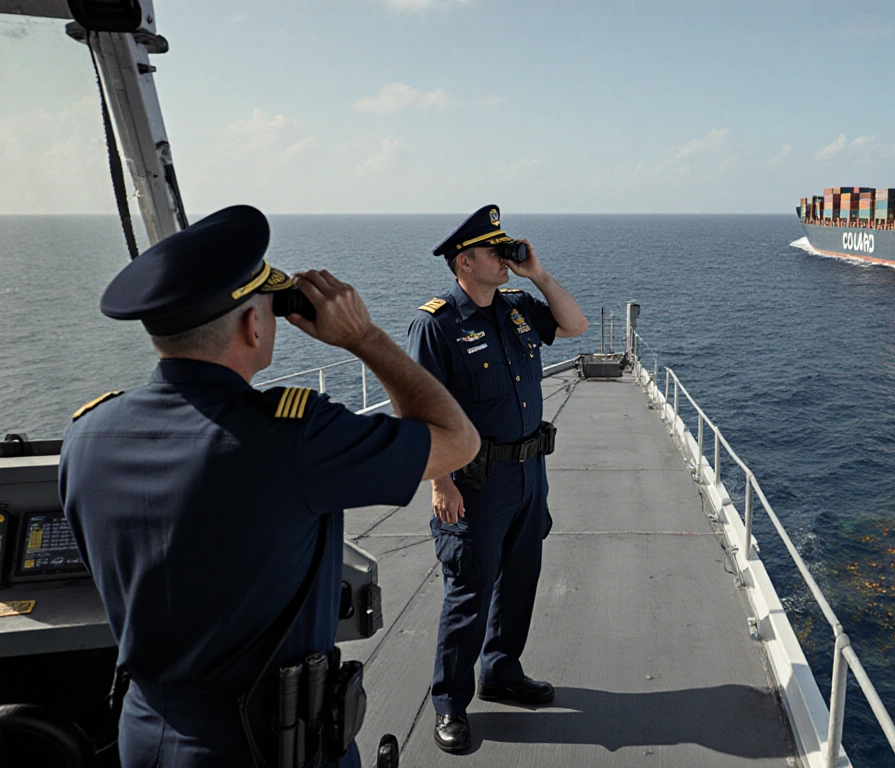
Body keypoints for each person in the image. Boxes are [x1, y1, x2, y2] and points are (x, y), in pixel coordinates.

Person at [59, 205, 480, 767]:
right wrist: (363, 337)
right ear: (253, 326)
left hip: (142, 733)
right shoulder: (296, 438)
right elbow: (457, 440)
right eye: (271, 310)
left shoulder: (86, 437)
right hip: (267, 743)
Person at [406, 204, 588, 754]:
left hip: (530, 474)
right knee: (469, 590)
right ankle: (450, 704)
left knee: (520, 577)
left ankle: (502, 671)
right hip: (476, 484)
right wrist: (441, 483)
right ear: (466, 261)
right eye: (496, 250)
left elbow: (574, 325)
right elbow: (418, 412)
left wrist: (538, 274)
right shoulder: (437, 324)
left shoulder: (516, 308)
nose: (506, 257)